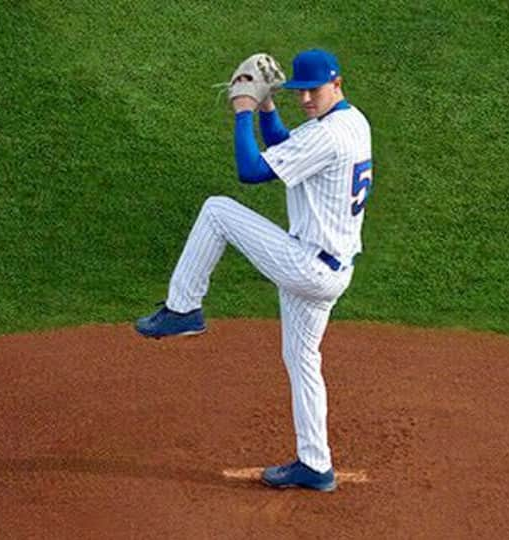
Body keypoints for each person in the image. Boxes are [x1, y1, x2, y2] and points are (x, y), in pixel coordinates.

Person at [135, 49, 373, 492]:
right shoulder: (352, 123)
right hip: (330, 270)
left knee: (218, 211)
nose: (304, 100)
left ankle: (183, 308)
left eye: (313, 91)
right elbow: (287, 149)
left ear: (337, 84)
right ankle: (315, 464)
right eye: (298, 92)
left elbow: (251, 170)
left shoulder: (329, 136)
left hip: (307, 266)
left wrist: (243, 112)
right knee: (302, 360)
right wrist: (267, 107)